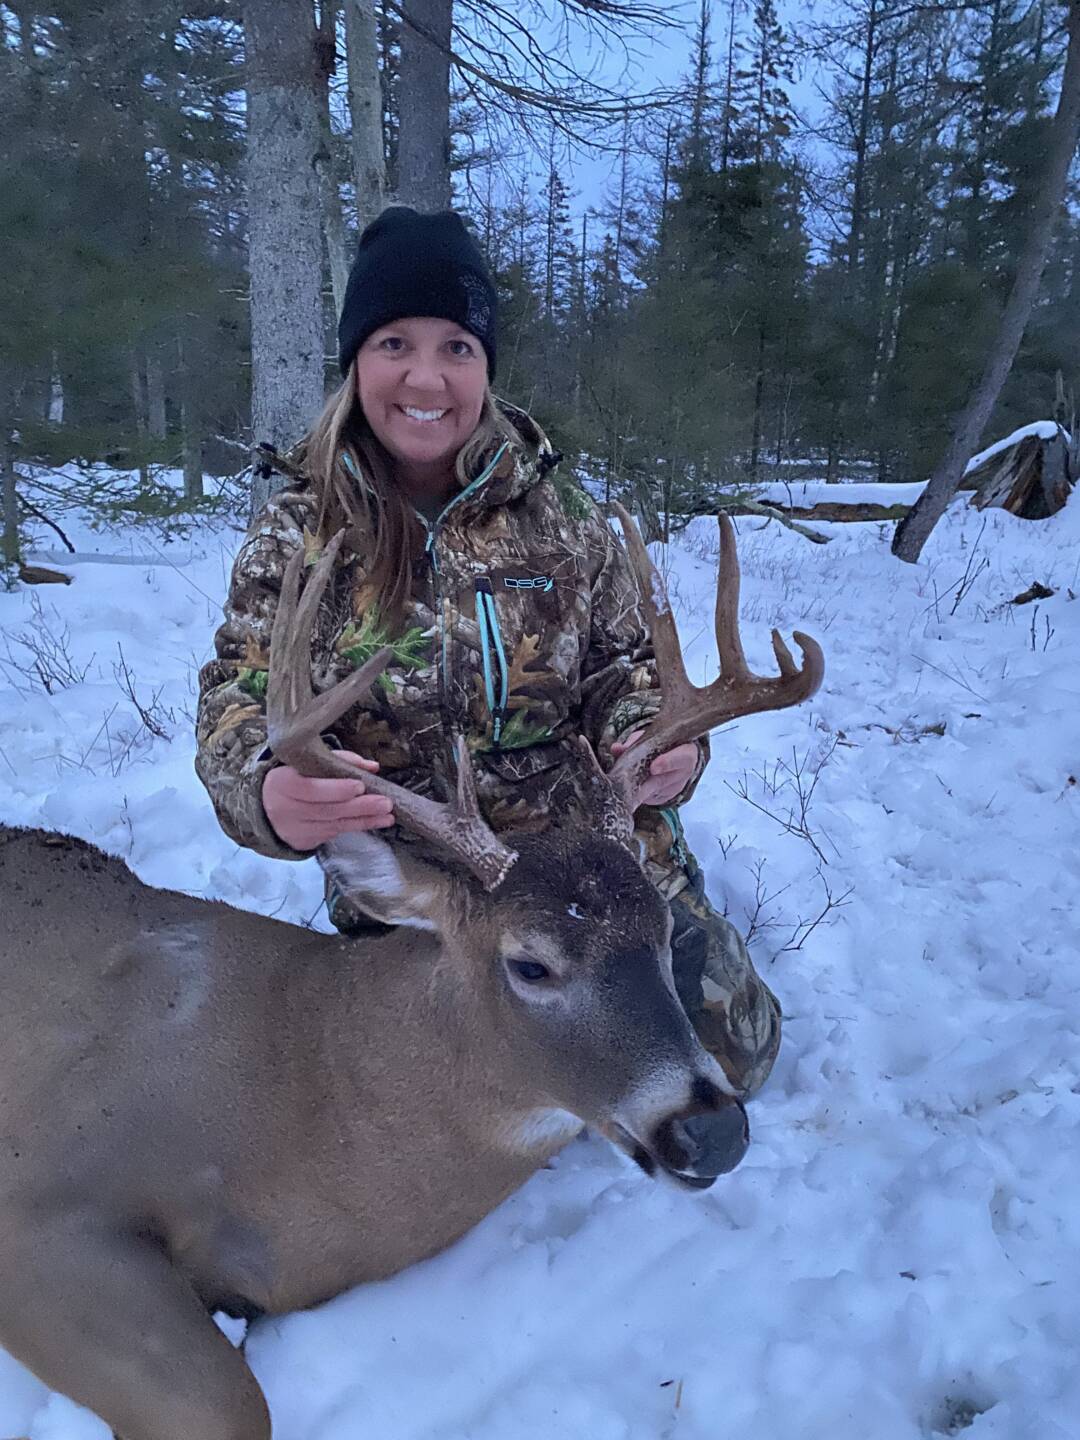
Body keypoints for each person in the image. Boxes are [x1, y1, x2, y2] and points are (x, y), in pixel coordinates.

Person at [195, 206, 780, 1098]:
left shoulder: (564, 520)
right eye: (394, 343)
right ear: (356, 361)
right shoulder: (296, 533)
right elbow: (237, 695)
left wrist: (661, 742)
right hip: (425, 888)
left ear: (486, 367)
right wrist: (266, 789)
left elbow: (628, 670)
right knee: (422, 1099)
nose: (426, 376)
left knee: (730, 1057)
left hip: (590, 870)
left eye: (457, 347)